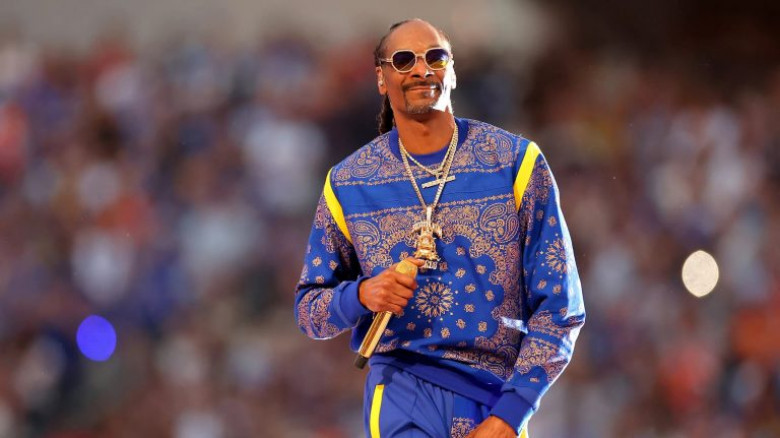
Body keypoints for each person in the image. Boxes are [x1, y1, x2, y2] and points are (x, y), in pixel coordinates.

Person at [295, 18, 585, 438]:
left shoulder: (515, 163)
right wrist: (361, 294)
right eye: (403, 60)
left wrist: (512, 413)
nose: (421, 69)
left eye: (435, 57)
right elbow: (310, 313)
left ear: (453, 72)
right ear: (381, 79)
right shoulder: (348, 183)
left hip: (495, 396)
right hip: (401, 388)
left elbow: (560, 307)